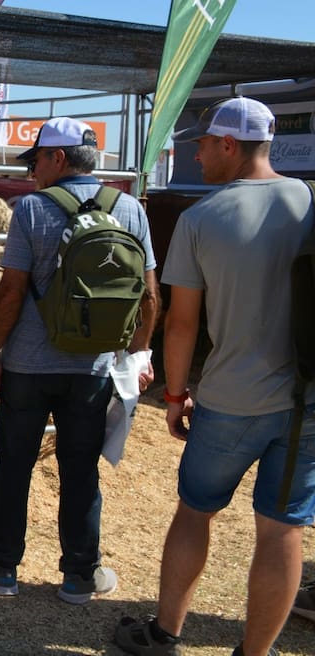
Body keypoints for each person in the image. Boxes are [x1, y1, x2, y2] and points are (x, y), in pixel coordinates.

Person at [114, 97, 315, 656]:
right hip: (305, 402)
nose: (197, 154)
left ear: (229, 145)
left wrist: (175, 396)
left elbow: (181, 326)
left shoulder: (201, 219)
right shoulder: (308, 201)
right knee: (282, 530)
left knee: (195, 512)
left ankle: (166, 632)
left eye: (202, 144)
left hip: (231, 398)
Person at [0, 116, 159, 605]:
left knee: (13, 466)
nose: (32, 170)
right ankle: (80, 575)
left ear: (58, 158)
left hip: (29, 368)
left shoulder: (32, 209)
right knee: (81, 470)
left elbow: (11, 289)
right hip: (94, 369)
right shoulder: (131, 209)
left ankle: (2, 569)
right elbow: (149, 294)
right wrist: (138, 352)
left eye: (36, 159)